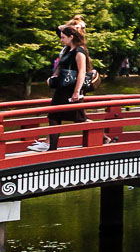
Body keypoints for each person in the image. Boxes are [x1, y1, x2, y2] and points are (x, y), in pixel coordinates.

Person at [30, 19, 97, 152]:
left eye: (63, 37)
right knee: (54, 116)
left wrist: (77, 92)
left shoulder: (79, 51)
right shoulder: (68, 50)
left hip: (71, 90)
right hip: (62, 89)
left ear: (71, 37)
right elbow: (61, 66)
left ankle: (101, 137)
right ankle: (52, 148)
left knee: (80, 119)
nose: (61, 40)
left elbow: (82, 72)